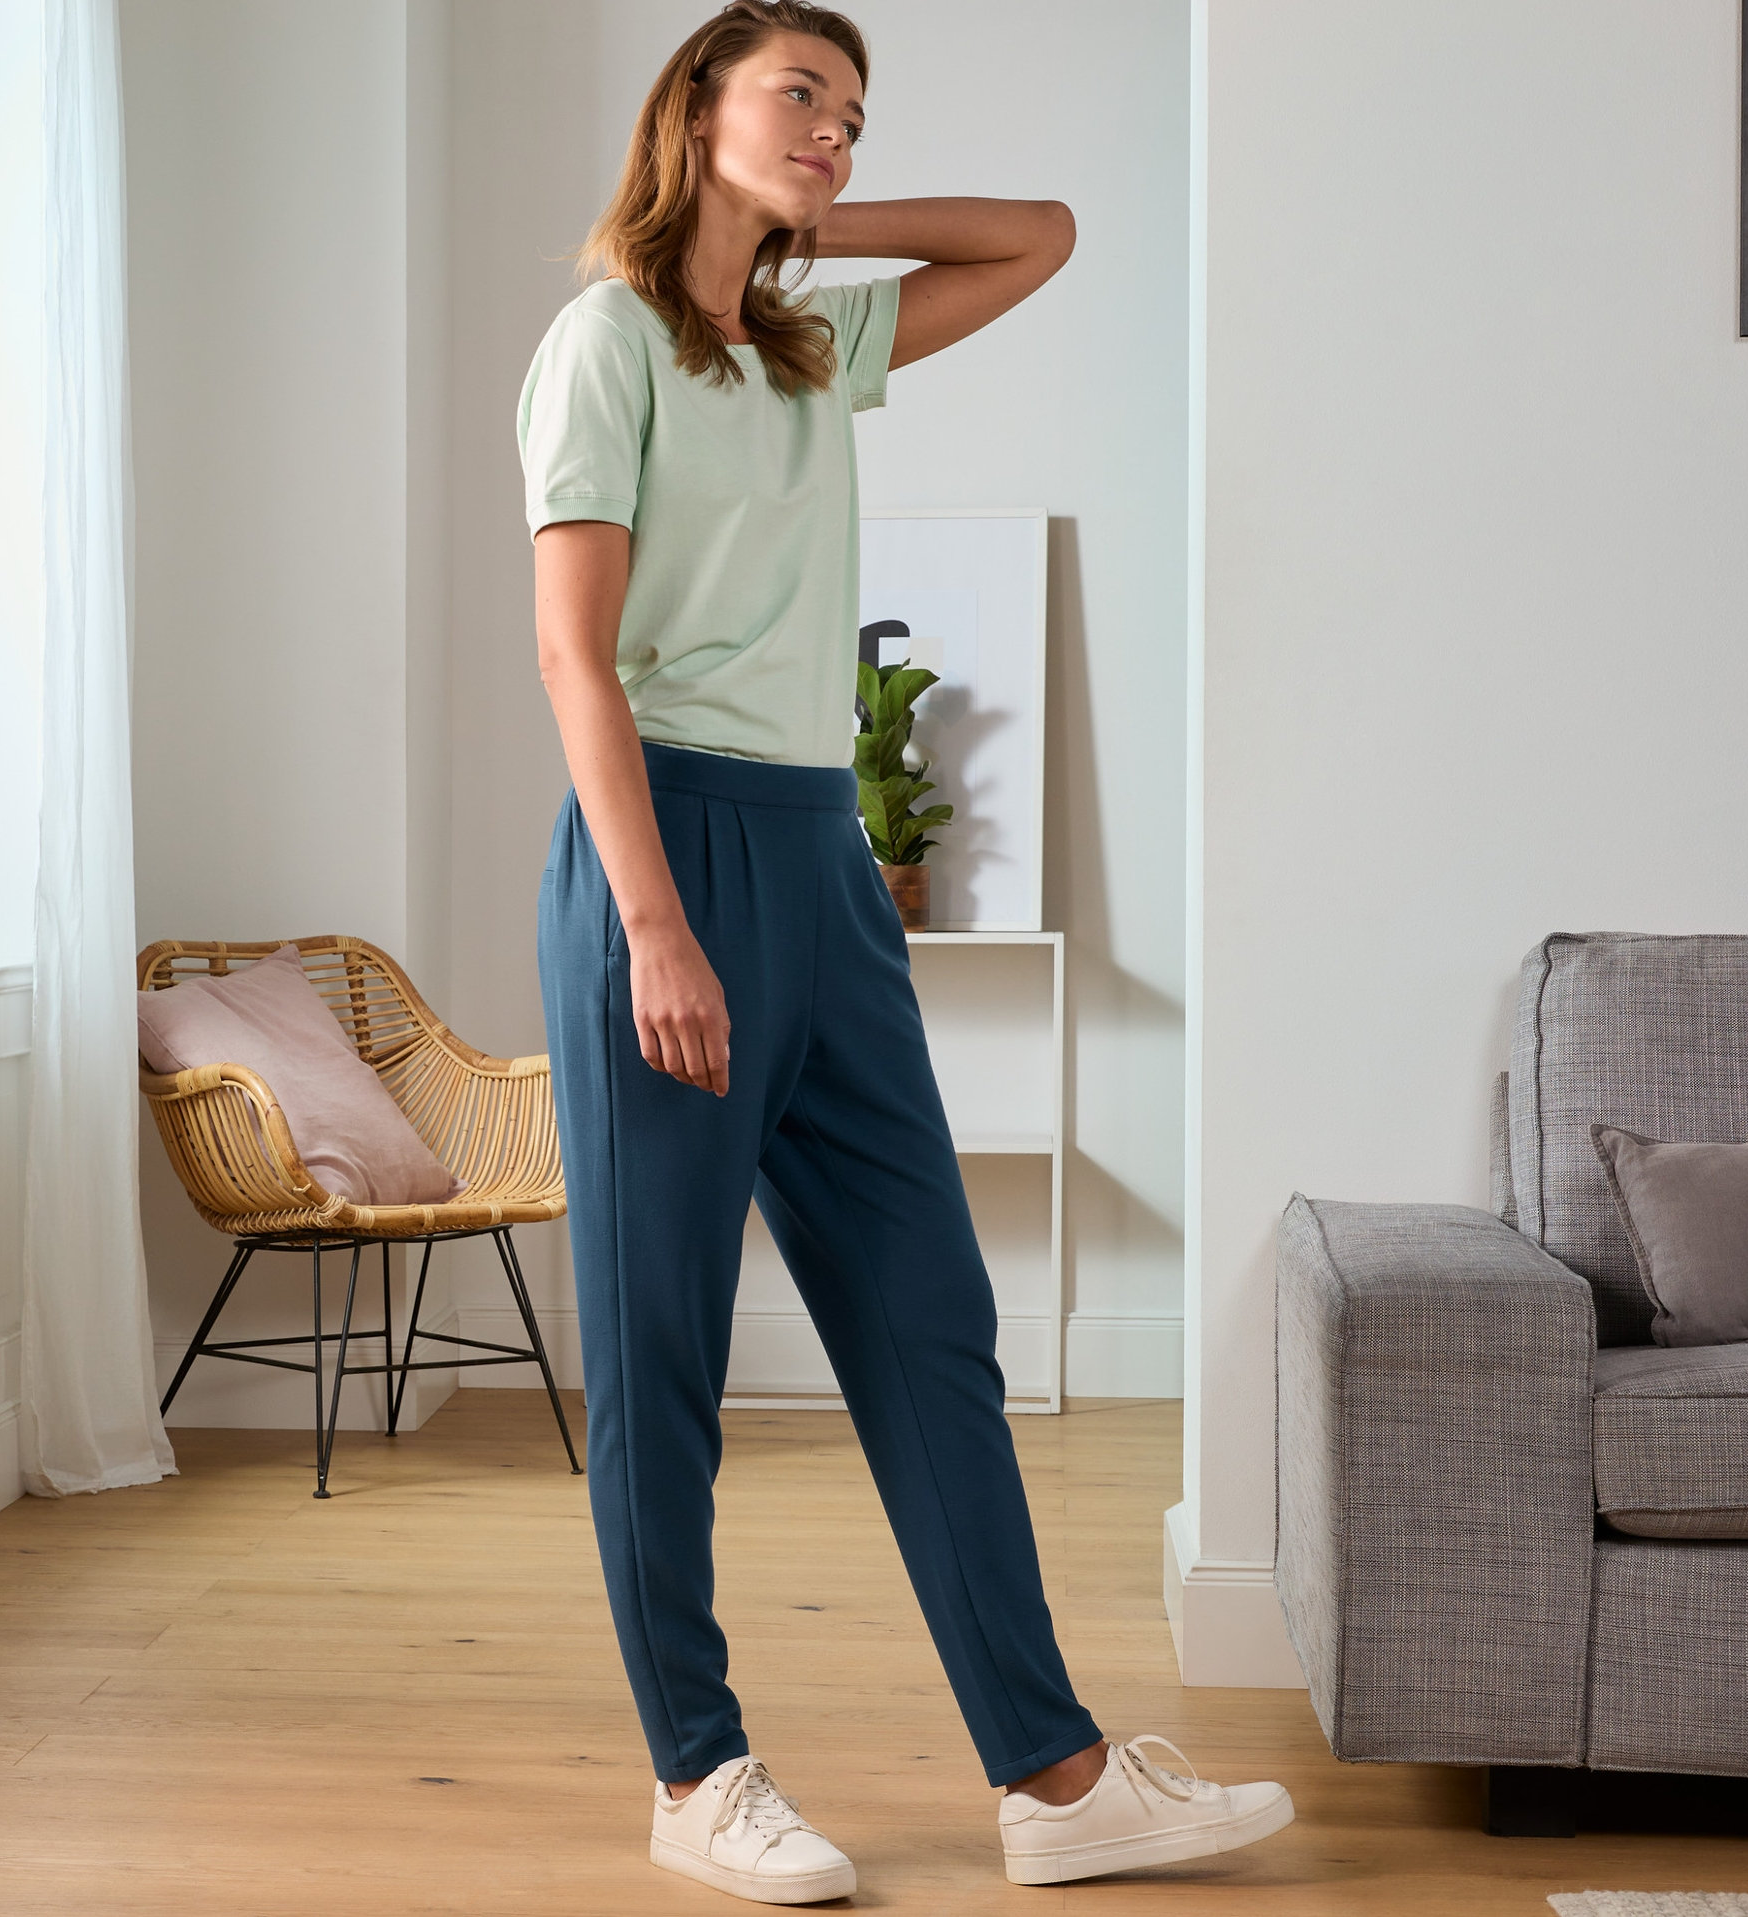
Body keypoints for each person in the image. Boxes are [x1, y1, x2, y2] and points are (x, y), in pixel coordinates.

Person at [518, 2, 1294, 1900]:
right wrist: (651, 929)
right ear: (694, 101)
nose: (837, 135)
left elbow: (1037, 232)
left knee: (929, 1319)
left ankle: (1056, 1777)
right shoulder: (602, 342)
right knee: (662, 1354)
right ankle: (695, 1775)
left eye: (855, 116)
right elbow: (571, 653)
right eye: (800, 97)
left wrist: (790, 229)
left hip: (819, 857)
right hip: (668, 854)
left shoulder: (801, 349)